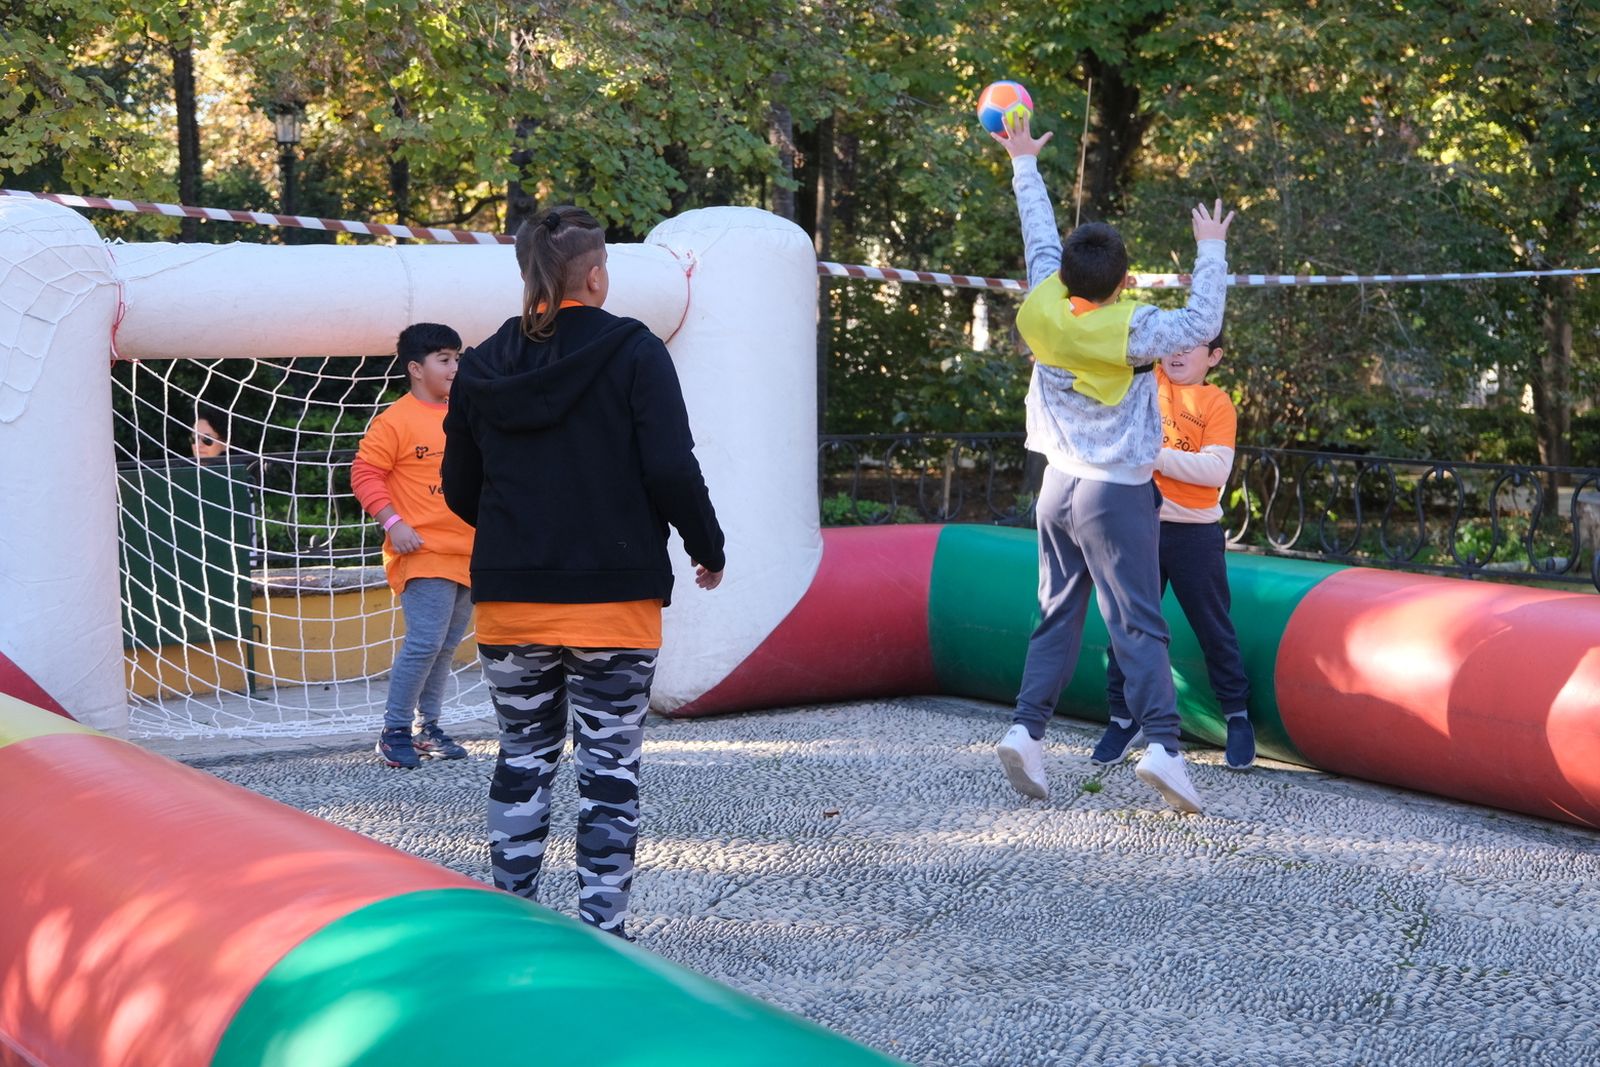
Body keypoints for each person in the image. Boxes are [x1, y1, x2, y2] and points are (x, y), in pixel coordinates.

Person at [441, 205, 725, 940]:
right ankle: (604, 934)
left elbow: (458, 487)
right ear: (596, 273)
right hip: (615, 601)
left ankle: (513, 923)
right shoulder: (634, 351)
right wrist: (707, 544)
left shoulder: (480, 364)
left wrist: (518, 539)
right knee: (608, 771)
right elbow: (669, 465)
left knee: (523, 756)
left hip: (510, 601)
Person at [989, 113, 1234, 814]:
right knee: (1136, 622)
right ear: (1124, 280)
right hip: (1114, 496)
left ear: (1065, 274)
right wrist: (1210, 249)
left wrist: (1024, 162)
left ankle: (1026, 729)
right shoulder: (1130, 329)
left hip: (1055, 489)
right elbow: (1200, 323)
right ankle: (1162, 745)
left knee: (1055, 614)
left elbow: (1039, 235)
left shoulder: (1041, 302)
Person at [1098, 332, 1255, 772]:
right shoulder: (1147, 385)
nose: (1179, 352)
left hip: (1194, 534)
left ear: (1214, 356)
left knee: (1213, 626)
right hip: (1139, 527)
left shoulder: (1216, 403)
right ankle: (1123, 718)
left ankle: (1237, 717)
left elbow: (1214, 469)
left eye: (1192, 345)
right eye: (1173, 343)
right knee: (1127, 627)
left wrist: (1156, 457)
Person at [351, 322, 476, 769]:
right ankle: (395, 730)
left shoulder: (464, 411)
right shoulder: (395, 420)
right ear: (416, 368)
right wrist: (394, 522)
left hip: (466, 550)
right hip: (422, 550)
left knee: (445, 646)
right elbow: (364, 474)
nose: (454, 367)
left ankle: (429, 728)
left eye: (457, 358)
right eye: (444, 359)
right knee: (425, 642)